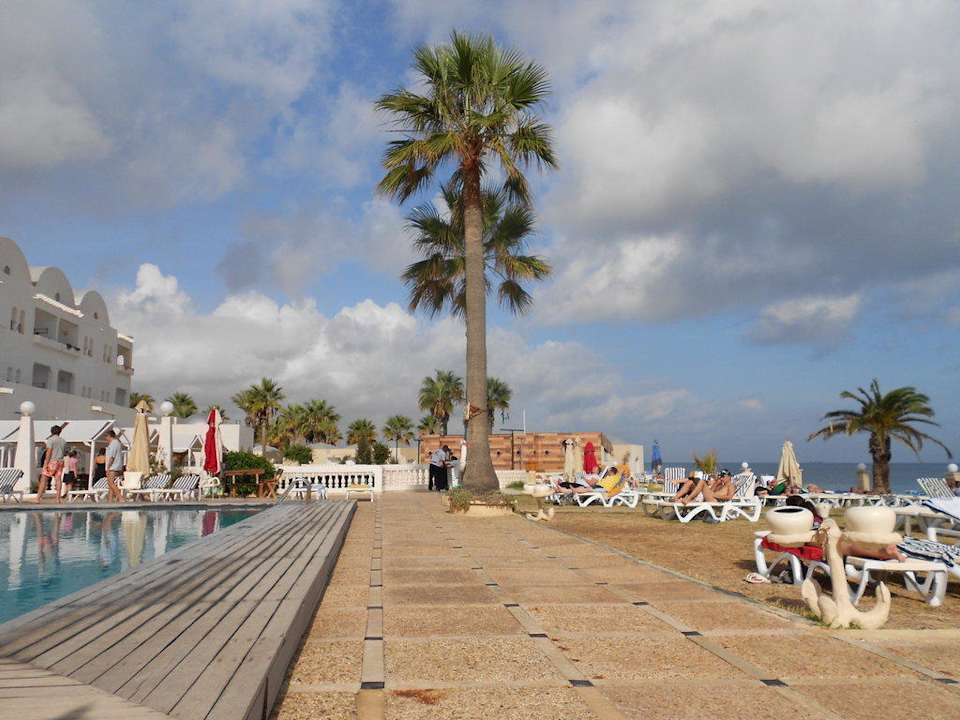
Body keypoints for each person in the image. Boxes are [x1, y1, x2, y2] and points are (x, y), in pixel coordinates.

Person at [36, 425, 66, 503]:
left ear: (51, 432)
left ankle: (38, 498)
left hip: (52, 461)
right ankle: (58, 499)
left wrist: (46, 463)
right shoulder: (63, 441)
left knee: (44, 479)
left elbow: (49, 452)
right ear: (60, 431)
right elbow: (63, 452)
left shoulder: (50, 440)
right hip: (60, 461)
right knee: (58, 480)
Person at [104, 429, 125, 502]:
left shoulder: (113, 444)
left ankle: (120, 497)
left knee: (110, 482)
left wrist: (108, 468)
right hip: (117, 466)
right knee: (110, 485)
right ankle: (109, 501)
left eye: (106, 436)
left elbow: (112, 457)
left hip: (113, 466)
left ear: (110, 436)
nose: (105, 438)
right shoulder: (117, 443)